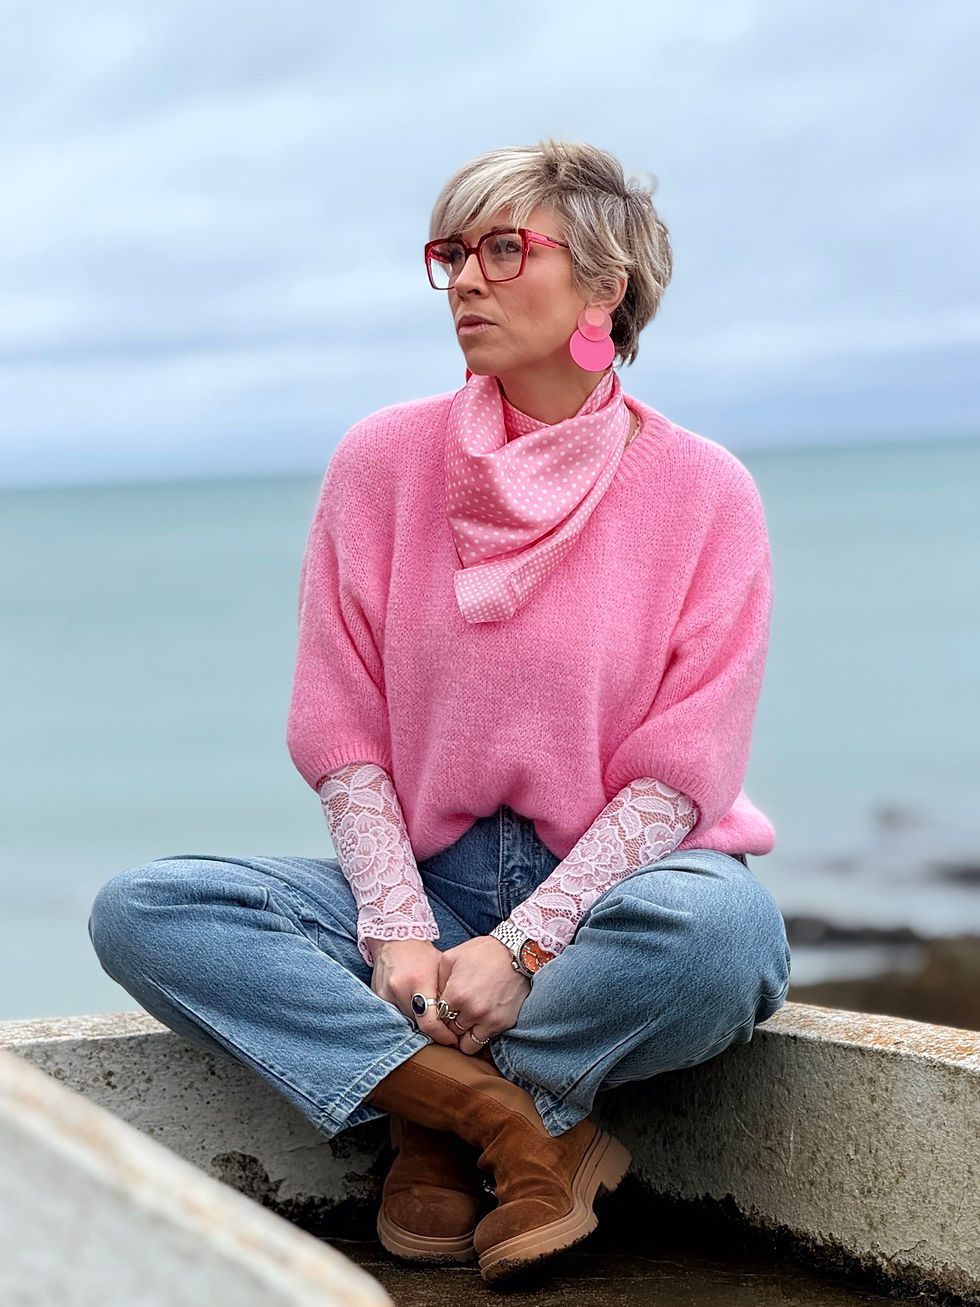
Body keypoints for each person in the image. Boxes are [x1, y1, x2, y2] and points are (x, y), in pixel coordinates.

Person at [88, 139, 791, 1286]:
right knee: (147, 910)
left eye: (503, 249)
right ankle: (497, 1120)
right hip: (426, 885)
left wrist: (524, 945)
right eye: (451, 254)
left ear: (602, 287)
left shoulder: (704, 489)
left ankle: (428, 1114)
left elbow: (679, 774)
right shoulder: (380, 461)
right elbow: (342, 731)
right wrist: (398, 927)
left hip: (617, 889)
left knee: (723, 937)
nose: (464, 278)